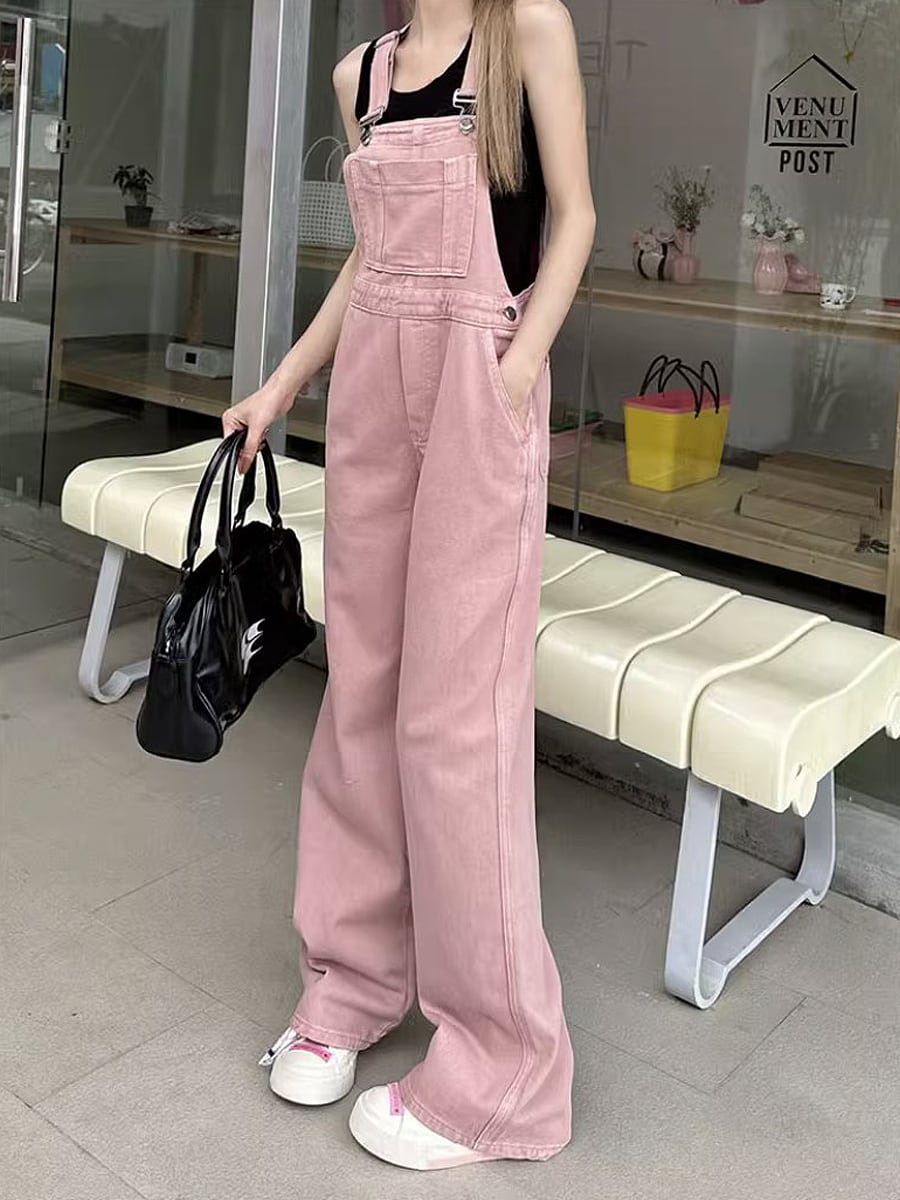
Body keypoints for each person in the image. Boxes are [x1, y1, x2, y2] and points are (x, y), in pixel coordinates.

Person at [223, 0, 595, 1172]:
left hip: (480, 382)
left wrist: (516, 369)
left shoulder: (527, 29)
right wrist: (282, 385)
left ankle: (505, 1074)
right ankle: (351, 983)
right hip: (375, 391)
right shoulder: (362, 77)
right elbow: (370, 260)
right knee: (364, 698)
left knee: (457, 720)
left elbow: (577, 214)